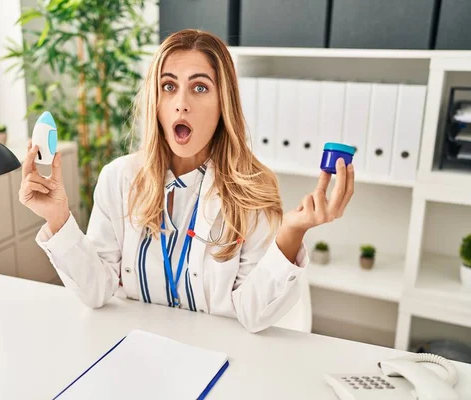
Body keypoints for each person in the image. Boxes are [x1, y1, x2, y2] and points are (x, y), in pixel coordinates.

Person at [19, 29, 355, 333]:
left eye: (199, 87)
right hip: (136, 349)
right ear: (156, 102)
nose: (181, 104)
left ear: (224, 102)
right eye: (169, 87)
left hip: (218, 357)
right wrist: (58, 219)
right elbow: (96, 291)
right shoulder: (118, 178)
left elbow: (253, 315)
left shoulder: (253, 188)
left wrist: (292, 232)